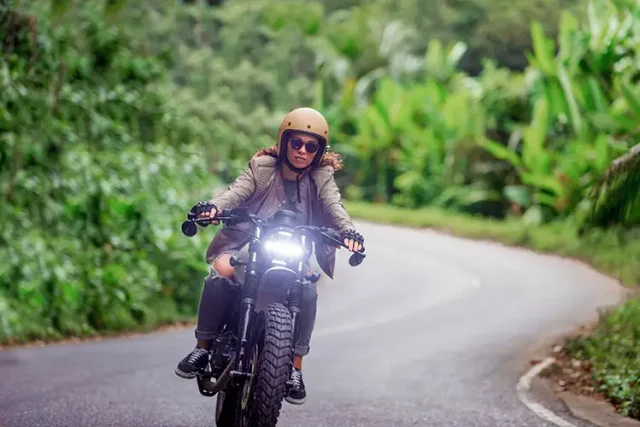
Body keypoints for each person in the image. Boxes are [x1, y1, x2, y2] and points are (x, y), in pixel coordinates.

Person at [174, 107, 364, 405]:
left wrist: (349, 232)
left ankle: (296, 367)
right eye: (297, 143)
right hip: (251, 240)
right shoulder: (262, 167)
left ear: (319, 151)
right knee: (222, 270)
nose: (303, 151)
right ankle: (203, 347)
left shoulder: (321, 176)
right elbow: (234, 193)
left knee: (307, 288)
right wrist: (213, 207)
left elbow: (334, 206)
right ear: (284, 141)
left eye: (311, 146)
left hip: (294, 248)